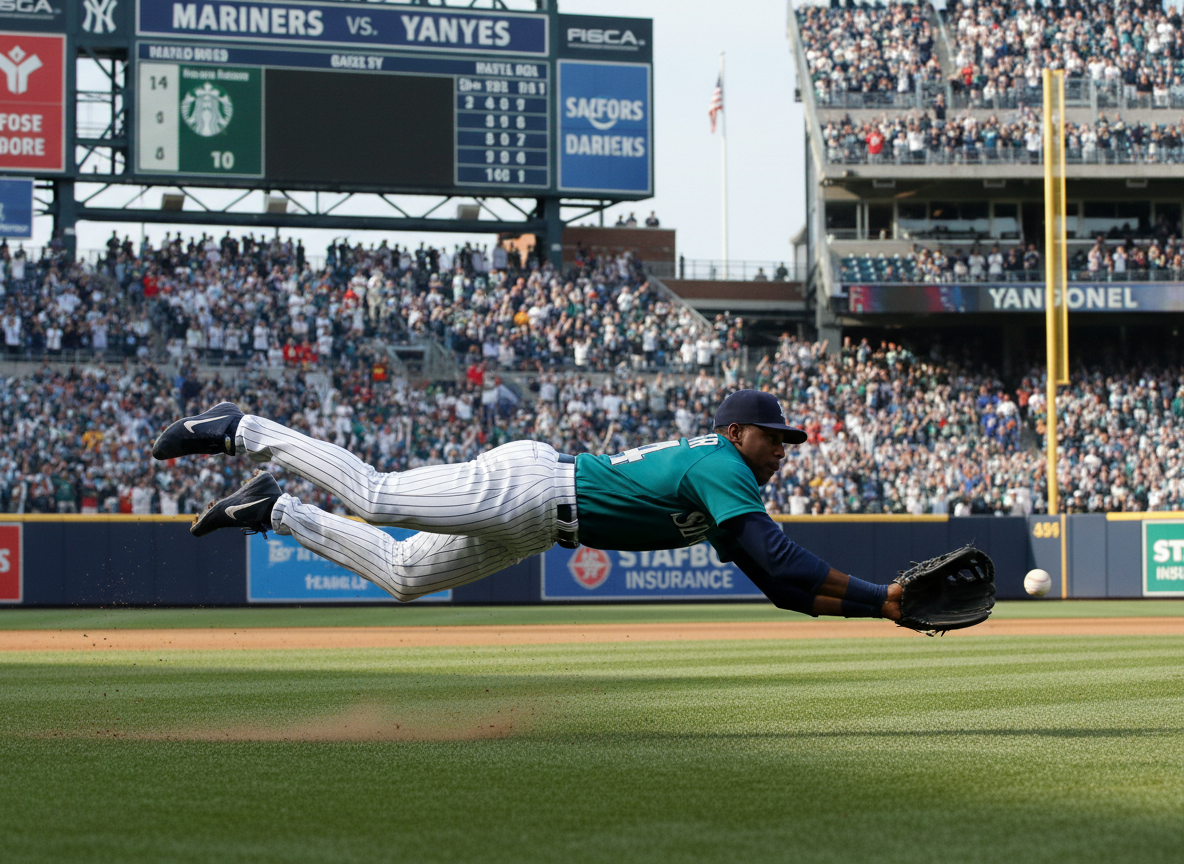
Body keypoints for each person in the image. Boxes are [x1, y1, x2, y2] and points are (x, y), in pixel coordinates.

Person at [152, 391, 902, 620]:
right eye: (774, 438)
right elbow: (777, 554)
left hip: (539, 523)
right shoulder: (721, 462)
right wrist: (885, 594)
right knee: (376, 496)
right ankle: (240, 429)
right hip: (534, 489)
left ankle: (272, 511)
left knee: (407, 575)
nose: (782, 449)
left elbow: (776, 584)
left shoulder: (722, 472)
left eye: (788, 442)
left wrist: (880, 609)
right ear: (739, 432)